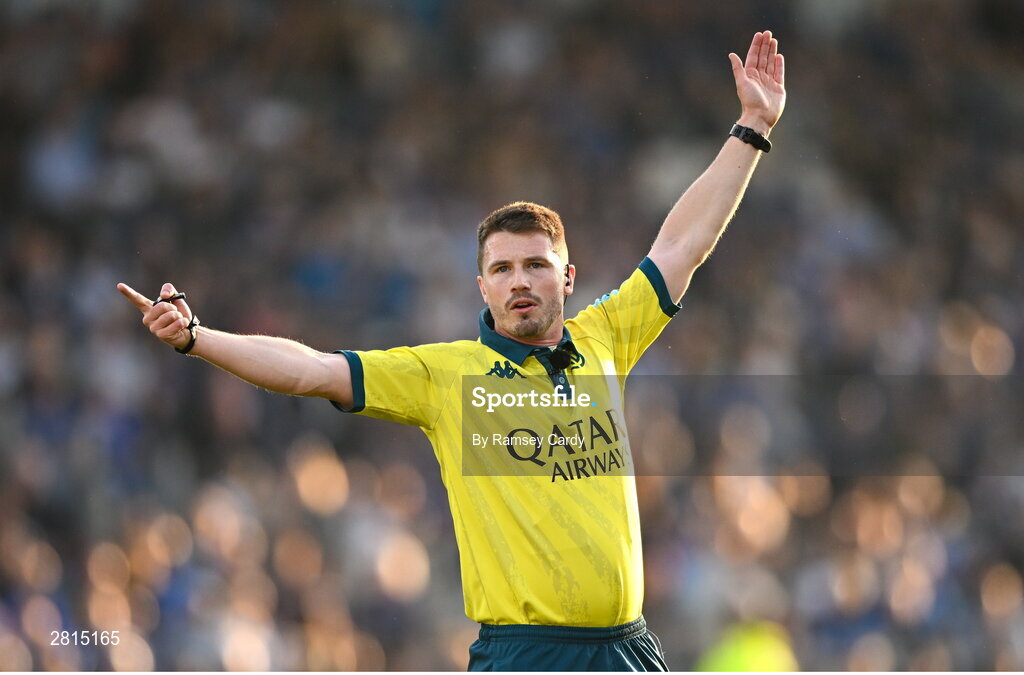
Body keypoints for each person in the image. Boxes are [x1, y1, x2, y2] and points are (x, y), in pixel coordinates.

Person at [118, 30, 785, 672]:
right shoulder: (444, 375)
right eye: (503, 269)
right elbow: (311, 370)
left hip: (627, 649)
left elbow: (682, 244)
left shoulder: (606, 336)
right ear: (483, 287)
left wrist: (752, 130)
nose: (520, 280)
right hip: (527, 656)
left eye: (536, 265)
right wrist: (199, 338)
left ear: (568, 278)